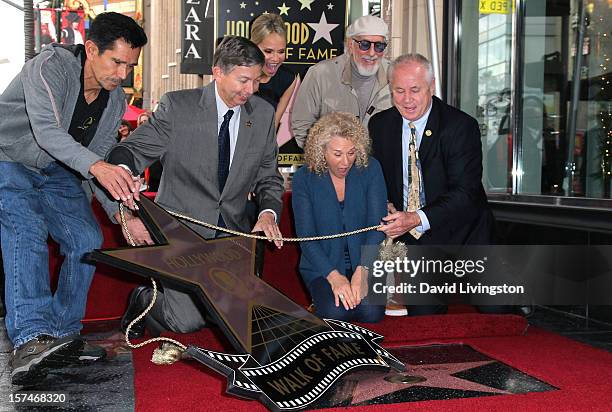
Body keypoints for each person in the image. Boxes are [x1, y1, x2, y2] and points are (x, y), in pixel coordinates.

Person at [0, 12, 147, 385]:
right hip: (8, 158)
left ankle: (63, 336)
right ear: (92, 49)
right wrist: (99, 167)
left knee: (86, 240)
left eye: (130, 66)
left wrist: (122, 215)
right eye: (117, 62)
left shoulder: (113, 102)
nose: (122, 74)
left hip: (55, 170)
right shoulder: (50, 66)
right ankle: (32, 339)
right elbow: (48, 131)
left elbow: (91, 166)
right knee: (26, 231)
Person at [110, 36, 284, 337]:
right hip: (179, 233)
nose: (251, 90)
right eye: (243, 81)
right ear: (218, 72)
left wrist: (268, 212)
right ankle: (142, 299)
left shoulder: (263, 114)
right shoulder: (178, 107)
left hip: (231, 234)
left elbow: (269, 175)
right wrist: (123, 174)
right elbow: (134, 151)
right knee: (187, 322)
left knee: (234, 318)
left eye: (256, 81)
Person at [369, 53, 497, 316]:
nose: (407, 99)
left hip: (466, 234)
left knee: (499, 314)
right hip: (418, 241)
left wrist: (415, 218)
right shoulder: (380, 126)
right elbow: (375, 177)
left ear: (432, 86)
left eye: (415, 90)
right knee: (424, 317)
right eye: (399, 91)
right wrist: (385, 202)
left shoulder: (460, 126)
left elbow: (466, 194)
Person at [292, 112, 387, 323]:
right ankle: (319, 300)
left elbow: (376, 227)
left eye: (351, 153)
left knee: (371, 314)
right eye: (337, 154)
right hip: (323, 265)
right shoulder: (304, 178)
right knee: (336, 313)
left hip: (366, 260)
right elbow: (306, 237)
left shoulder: (371, 169)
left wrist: (362, 271)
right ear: (322, 151)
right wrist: (335, 278)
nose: (346, 162)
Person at [291, 15, 392, 148]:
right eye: (365, 45)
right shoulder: (320, 74)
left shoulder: (396, 76)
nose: (372, 53)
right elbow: (302, 124)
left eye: (379, 46)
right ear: (351, 44)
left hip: (380, 166)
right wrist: (324, 160)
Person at [251, 13, 299, 131]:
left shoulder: (288, 79)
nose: (276, 58)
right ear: (253, 47)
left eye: (281, 51)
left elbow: (273, 125)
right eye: (268, 51)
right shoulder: (236, 72)